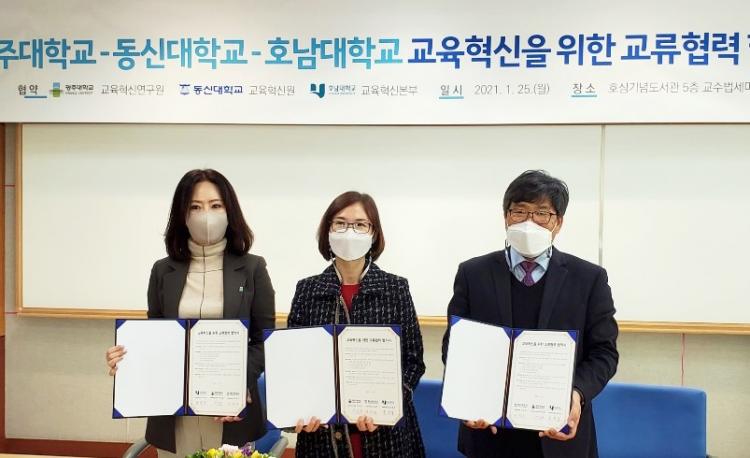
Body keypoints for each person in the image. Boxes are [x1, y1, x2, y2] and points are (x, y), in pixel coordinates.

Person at [442, 170, 618, 458]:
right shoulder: (473, 274)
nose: (528, 222)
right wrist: (468, 394)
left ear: (558, 222)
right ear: (506, 217)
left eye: (541, 213)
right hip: (489, 432)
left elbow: (604, 353)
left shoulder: (589, 279)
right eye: (519, 211)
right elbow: (455, 345)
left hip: (559, 434)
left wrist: (577, 393)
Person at [105, 169, 275, 457]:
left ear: (230, 212)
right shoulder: (163, 270)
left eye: (215, 205)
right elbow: (155, 338)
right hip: (174, 413)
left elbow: (263, 340)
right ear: (182, 216)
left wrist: (238, 384)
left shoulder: (252, 268)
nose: (205, 215)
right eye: (195, 207)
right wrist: (125, 360)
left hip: (229, 412)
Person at [288, 191, 426, 458]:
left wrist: (387, 407)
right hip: (322, 435)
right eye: (340, 223)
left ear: (374, 233)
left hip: (385, 436)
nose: (349, 232)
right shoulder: (307, 290)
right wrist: (300, 409)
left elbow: (413, 361)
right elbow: (295, 364)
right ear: (327, 231)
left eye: (360, 224)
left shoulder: (395, 288)